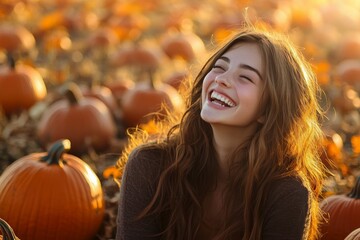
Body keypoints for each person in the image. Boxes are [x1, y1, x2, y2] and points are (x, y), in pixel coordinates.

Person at [115, 25, 327, 240]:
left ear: (269, 108)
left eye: (245, 77)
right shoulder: (150, 166)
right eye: (219, 67)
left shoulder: (287, 194)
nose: (221, 79)